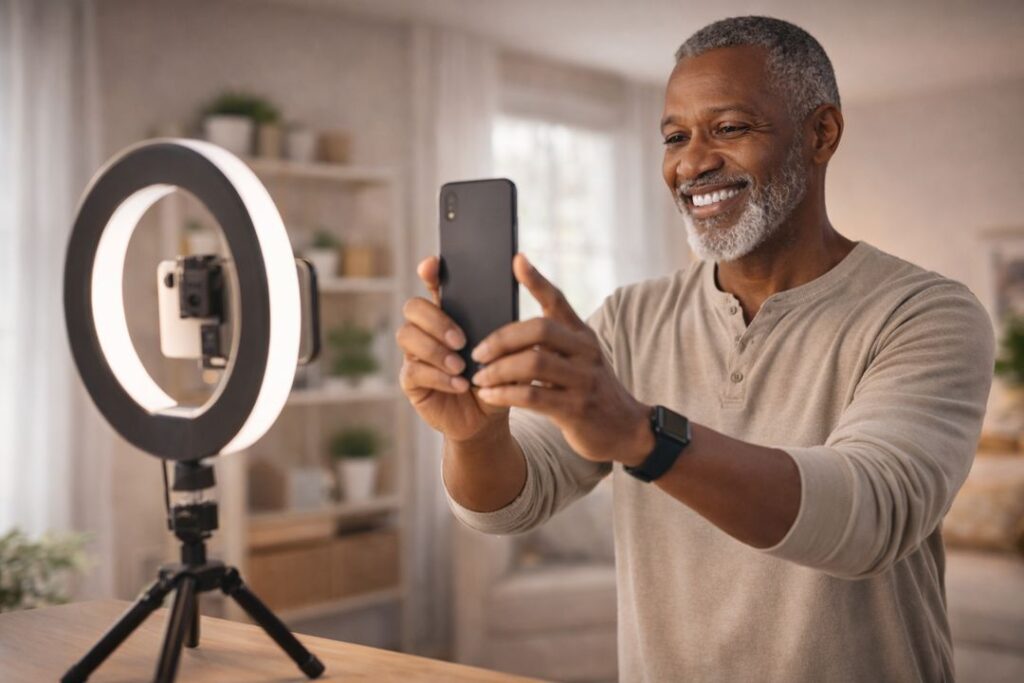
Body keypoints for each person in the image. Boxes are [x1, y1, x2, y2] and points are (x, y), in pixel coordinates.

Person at [397, 15, 993, 682]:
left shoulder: (925, 312)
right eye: (674, 136)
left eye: (729, 128)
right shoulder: (631, 315)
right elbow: (510, 507)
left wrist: (644, 436)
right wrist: (477, 436)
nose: (691, 162)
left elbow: (872, 515)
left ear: (821, 134)